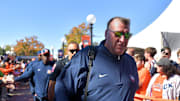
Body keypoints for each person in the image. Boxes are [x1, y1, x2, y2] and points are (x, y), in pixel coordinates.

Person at [55, 16, 139, 101]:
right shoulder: (86, 56)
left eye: (127, 35)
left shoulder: (130, 62)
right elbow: (62, 88)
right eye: (118, 34)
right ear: (106, 34)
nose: (122, 39)